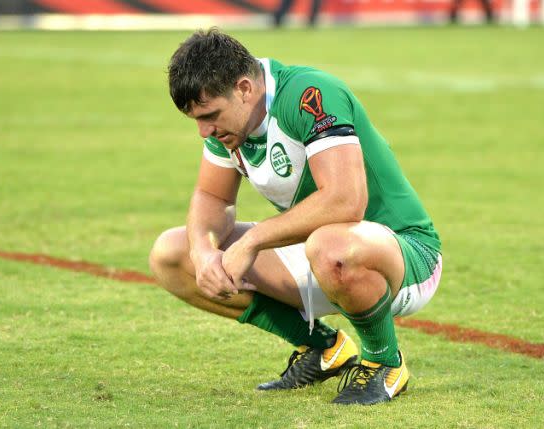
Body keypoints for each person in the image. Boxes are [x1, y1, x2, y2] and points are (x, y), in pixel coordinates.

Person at [150, 28, 443, 405]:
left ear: (244, 88)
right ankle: (324, 349)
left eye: (210, 116)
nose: (204, 130)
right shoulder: (229, 126)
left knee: (329, 245)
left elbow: (345, 201)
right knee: (173, 253)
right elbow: (211, 196)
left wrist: (253, 242)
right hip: (321, 252)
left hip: (405, 256)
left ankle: (385, 363)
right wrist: (204, 252)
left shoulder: (309, 95)